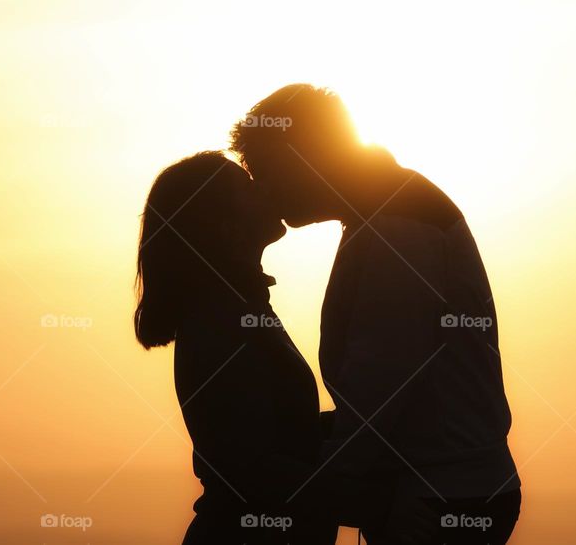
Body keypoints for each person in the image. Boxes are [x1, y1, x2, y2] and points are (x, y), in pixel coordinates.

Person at [230, 85, 522, 545]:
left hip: (436, 497)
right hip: (438, 486)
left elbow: (382, 378)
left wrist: (322, 487)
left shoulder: (398, 225)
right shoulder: (386, 212)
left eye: (265, 171)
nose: (264, 190)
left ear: (301, 156)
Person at [134, 151, 412, 544]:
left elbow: (278, 434)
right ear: (226, 226)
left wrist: (367, 426)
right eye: (247, 188)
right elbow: (250, 466)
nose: (265, 189)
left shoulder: (238, 305)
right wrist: (368, 501)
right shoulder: (221, 317)